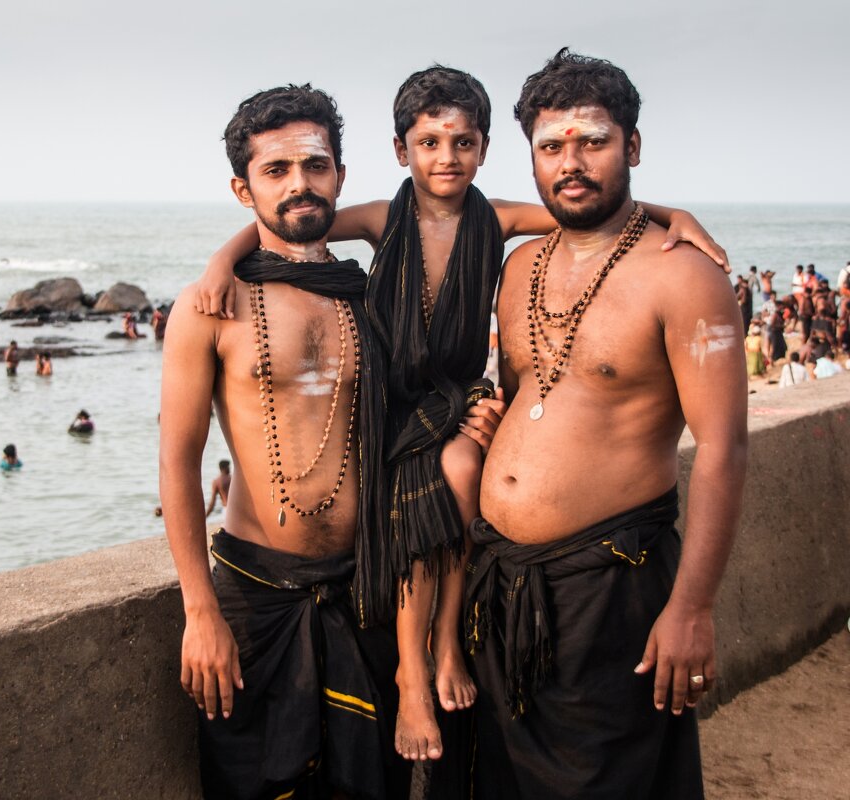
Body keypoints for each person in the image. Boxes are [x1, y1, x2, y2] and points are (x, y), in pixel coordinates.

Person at [193, 65, 724, 768]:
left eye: (463, 143)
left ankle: (445, 642)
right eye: (429, 143)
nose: (447, 158)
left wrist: (671, 215)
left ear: (484, 147)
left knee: (462, 466)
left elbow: (585, 207)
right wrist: (219, 263)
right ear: (399, 150)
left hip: (456, 395)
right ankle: (417, 665)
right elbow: (274, 228)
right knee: (434, 482)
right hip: (399, 398)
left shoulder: (497, 217)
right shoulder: (384, 217)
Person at [470, 49, 747, 799]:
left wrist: (691, 607)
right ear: (530, 158)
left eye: (593, 141)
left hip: (613, 587)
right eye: (552, 147)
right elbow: (529, 393)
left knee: (607, 781)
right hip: (501, 585)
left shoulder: (684, 275)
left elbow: (722, 449)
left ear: (632, 146)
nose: (572, 163)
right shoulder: (518, 266)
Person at [162, 84, 415, 800]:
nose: (299, 183)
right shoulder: (212, 305)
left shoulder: (368, 292)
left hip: (364, 588)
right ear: (243, 189)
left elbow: (470, 221)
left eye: (315, 164)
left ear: (339, 174)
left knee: (374, 783)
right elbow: (178, 464)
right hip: (256, 596)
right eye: (276, 170)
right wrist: (199, 612)